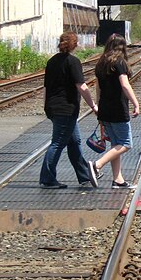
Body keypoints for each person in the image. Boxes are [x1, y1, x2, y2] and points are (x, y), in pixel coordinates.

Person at [40, 31, 99, 189]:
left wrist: (46, 106)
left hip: (54, 107)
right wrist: (93, 105)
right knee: (58, 143)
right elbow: (81, 86)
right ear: (75, 44)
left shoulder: (52, 61)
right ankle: (47, 178)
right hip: (65, 109)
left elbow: (46, 87)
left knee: (74, 142)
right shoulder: (73, 62)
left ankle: (84, 176)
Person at [88, 33, 140, 189]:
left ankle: (118, 180)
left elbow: (98, 88)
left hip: (104, 108)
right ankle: (97, 165)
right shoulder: (119, 63)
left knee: (116, 144)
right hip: (118, 109)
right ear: (122, 47)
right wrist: (136, 103)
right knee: (126, 144)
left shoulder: (100, 63)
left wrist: (98, 108)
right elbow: (125, 85)